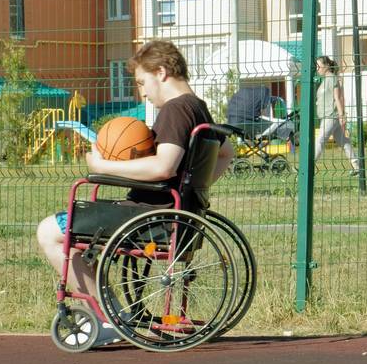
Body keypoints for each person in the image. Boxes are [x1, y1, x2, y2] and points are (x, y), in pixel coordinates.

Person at [36, 39, 235, 300]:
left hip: (150, 218)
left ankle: (109, 316)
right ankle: (109, 313)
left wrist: (102, 166)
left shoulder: (175, 110)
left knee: (49, 231)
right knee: (69, 228)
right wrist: (194, 191)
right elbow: (226, 152)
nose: (142, 93)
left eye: (142, 82)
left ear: (161, 72)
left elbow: (164, 167)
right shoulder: (198, 107)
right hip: (173, 214)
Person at [313, 56, 361, 175]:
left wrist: (342, 116)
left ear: (327, 66)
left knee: (320, 140)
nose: (317, 68)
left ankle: (308, 166)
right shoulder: (325, 80)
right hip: (327, 115)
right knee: (343, 141)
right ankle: (358, 167)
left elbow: (338, 98)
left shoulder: (333, 78)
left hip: (331, 115)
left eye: (319, 66)